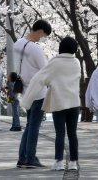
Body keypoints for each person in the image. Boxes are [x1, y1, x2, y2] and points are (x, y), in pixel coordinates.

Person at [22, 36, 81, 172]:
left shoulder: (55, 63)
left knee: (60, 133)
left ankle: (59, 162)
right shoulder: (76, 62)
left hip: (59, 102)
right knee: (72, 134)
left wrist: (27, 101)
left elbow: (39, 79)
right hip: (74, 102)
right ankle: (73, 162)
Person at [13, 19, 52, 169]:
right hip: (38, 91)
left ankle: (22, 158)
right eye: (43, 36)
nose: (41, 39)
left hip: (25, 90)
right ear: (40, 31)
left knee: (29, 125)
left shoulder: (17, 44)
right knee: (34, 126)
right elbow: (46, 69)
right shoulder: (35, 49)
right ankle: (31, 157)